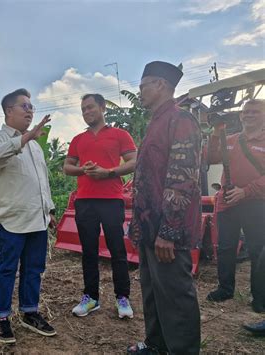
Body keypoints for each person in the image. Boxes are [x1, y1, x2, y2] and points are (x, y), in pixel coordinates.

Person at [127, 61, 202, 354]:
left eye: (143, 86)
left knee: (175, 294)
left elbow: (183, 179)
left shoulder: (180, 120)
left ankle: (183, 350)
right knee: (153, 290)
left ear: (160, 85)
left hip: (167, 229)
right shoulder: (157, 121)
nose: (140, 91)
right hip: (150, 226)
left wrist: (168, 231)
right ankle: (156, 344)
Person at [0, 88, 57, 344]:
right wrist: (25, 138)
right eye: (24, 106)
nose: (30, 110)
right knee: (7, 269)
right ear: (9, 111)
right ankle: (2, 318)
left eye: (31, 106)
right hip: (12, 219)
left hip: (38, 218)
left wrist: (49, 208)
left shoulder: (36, 148)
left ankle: (30, 312)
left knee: (34, 269)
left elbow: (41, 182)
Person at [63, 93, 137, 318]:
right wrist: (83, 170)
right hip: (84, 200)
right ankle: (91, 297)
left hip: (112, 199)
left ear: (103, 108)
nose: (87, 113)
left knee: (117, 249)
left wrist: (108, 172)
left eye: (91, 108)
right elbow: (67, 167)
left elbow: (134, 161)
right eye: (83, 109)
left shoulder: (119, 135)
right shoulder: (78, 139)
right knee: (89, 251)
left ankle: (122, 298)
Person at [206, 99, 265, 313]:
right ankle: (225, 289)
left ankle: (260, 297)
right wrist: (215, 131)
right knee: (226, 246)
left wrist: (246, 191)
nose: (249, 115)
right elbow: (210, 157)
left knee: (258, 249)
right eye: (246, 112)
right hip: (228, 200)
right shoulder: (230, 140)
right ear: (240, 116)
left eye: (255, 112)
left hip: (256, 203)